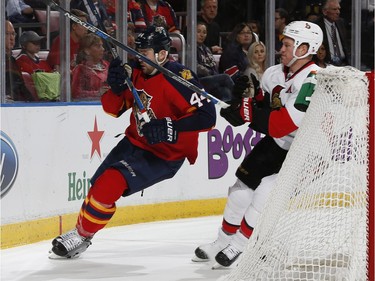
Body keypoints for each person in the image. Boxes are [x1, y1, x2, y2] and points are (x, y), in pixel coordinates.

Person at [48, 25, 216, 259]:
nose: (139, 57)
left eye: (144, 53)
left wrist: (171, 127)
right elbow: (112, 110)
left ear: (162, 54)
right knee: (98, 186)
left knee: (109, 183)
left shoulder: (180, 78)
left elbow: (208, 116)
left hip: (164, 155)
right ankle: (82, 234)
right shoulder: (134, 71)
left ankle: (81, 235)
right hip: (133, 143)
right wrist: (115, 88)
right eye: (138, 52)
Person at [192, 20, 323, 268]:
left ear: (304, 48)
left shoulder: (313, 79)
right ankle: (223, 241)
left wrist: (246, 111)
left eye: (286, 44)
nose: (281, 49)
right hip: (279, 143)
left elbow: (282, 123)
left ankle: (242, 246)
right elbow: (263, 106)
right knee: (241, 187)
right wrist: (243, 101)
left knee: (265, 190)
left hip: (308, 149)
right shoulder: (274, 72)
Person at [196, 22, 233, 102]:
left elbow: (213, 67)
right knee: (225, 78)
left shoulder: (206, 49)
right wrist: (210, 73)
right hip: (199, 80)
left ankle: (227, 111)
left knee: (224, 91)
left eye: (204, 32)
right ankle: (240, 98)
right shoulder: (189, 47)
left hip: (211, 79)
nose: (202, 35)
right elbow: (195, 66)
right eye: (198, 31)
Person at [5, 20, 37, 102]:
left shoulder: (12, 60)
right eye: (7, 34)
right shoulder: (5, 61)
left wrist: (32, 103)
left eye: (13, 34)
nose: (11, 38)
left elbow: (21, 86)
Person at [71, 33, 110, 101]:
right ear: (87, 51)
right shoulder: (80, 69)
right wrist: (98, 93)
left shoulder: (108, 65)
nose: (103, 49)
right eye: (98, 46)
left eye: (102, 46)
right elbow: (76, 93)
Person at [314, 0, 349, 66]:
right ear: (325, 12)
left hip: (343, 64)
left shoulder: (341, 22)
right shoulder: (316, 26)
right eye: (334, 9)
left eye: (339, 9)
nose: (338, 12)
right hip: (326, 64)